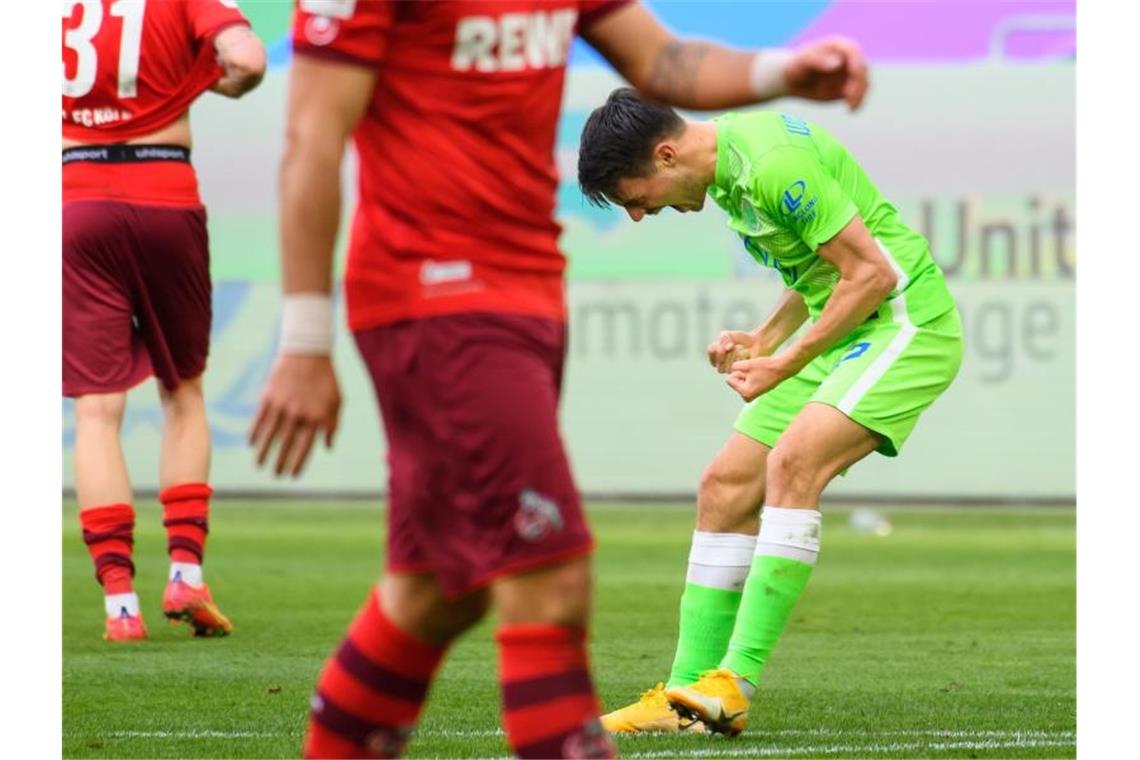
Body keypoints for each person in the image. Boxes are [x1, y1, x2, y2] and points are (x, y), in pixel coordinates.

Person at [248, 1, 868, 756]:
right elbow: (312, 137)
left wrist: (780, 71)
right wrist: (307, 338)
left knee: (437, 590)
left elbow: (663, 65)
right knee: (551, 575)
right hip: (436, 289)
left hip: (527, 293)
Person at [577, 87, 964, 736]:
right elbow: (816, 265)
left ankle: (735, 684)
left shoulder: (771, 162)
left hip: (905, 323)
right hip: (842, 327)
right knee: (724, 487)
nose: (639, 215)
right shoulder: (730, 174)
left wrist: (784, 361)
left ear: (666, 155)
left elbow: (872, 275)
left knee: (793, 463)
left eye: (634, 198)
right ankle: (683, 697)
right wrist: (765, 338)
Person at [63, 0, 266, 642]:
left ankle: (119, 606)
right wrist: (216, 81)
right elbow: (247, 59)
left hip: (75, 200)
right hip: (163, 195)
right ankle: (185, 572)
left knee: (97, 409)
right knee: (183, 392)